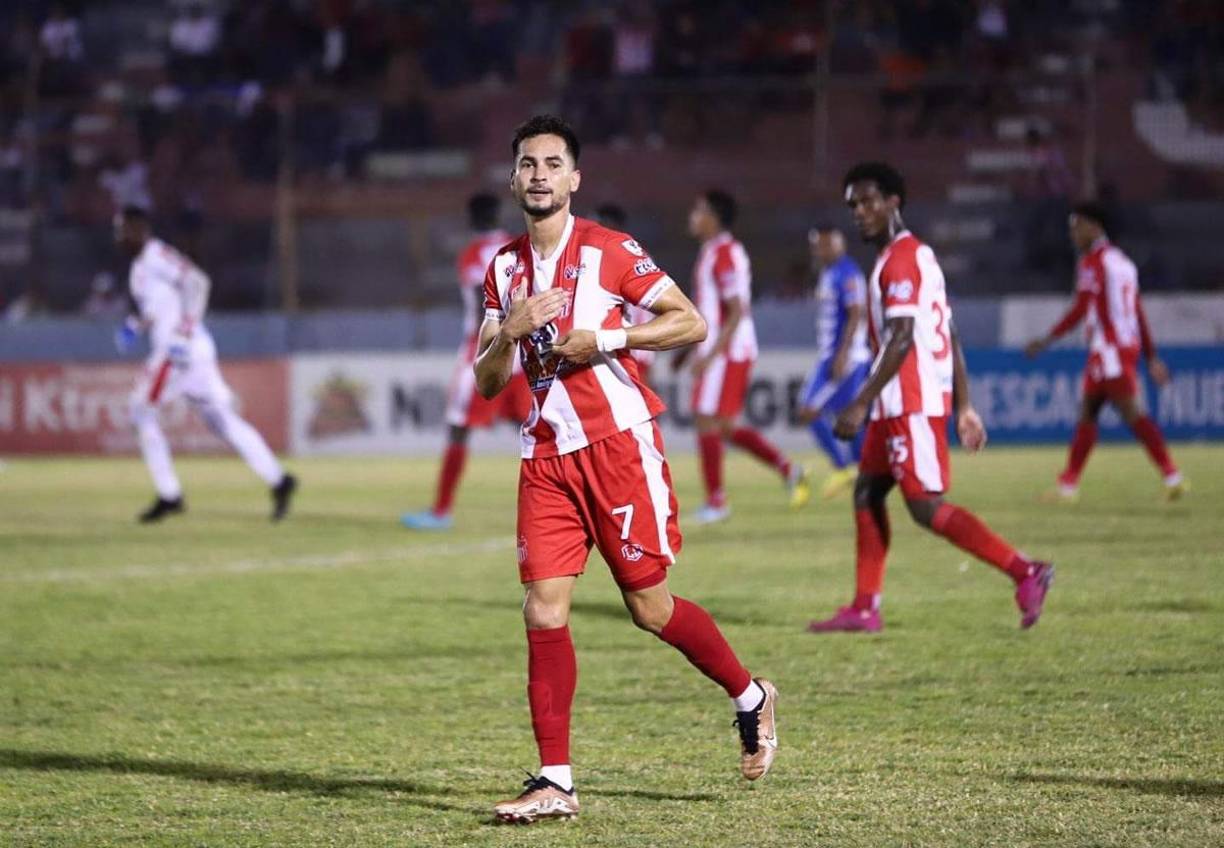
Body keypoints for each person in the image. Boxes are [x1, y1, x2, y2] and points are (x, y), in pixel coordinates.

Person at [475, 115, 778, 824]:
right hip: (546, 456)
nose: (540, 175)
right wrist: (510, 332)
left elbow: (691, 321)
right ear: (513, 178)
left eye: (553, 163)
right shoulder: (503, 269)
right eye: (528, 164)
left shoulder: (611, 252)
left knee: (649, 608)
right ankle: (556, 780)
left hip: (618, 448)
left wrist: (607, 336)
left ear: (574, 179)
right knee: (543, 608)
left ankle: (750, 696)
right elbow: (489, 381)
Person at [808, 162, 1053, 634]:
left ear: (894, 201)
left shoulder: (900, 261)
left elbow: (901, 337)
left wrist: (860, 402)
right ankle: (864, 607)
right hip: (899, 400)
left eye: (868, 201)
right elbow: (949, 331)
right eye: (853, 205)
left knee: (924, 505)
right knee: (868, 491)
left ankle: (1026, 571)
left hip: (909, 399)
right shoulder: (914, 256)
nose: (859, 212)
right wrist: (964, 405)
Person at [114, 206, 297, 523]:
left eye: (123, 229)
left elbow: (198, 282)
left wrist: (183, 332)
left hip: (177, 352)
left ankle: (170, 495)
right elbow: (159, 308)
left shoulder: (157, 254)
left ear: (139, 228)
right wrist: (136, 324)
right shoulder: (138, 269)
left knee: (140, 410)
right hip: (190, 351)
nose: (119, 237)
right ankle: (279, 480)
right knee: (222, 421)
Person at [1024, 203, 1184, 501]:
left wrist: (1046, 340)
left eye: (1077, 225)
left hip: (1109, 350)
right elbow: (1137, 311)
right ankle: (1068, 484)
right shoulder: (1122, 262)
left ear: (1093, 226)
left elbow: (1081, 308)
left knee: (1131, 413)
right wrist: (1149, 356)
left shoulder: (1093, 263)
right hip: (1123, 347)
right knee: (1088, 412)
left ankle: (1172, 475)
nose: (1072, 233)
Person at [675, 189, 809, 524]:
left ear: (714, 218)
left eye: (699, 210)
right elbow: (712, 310)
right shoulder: (711, 252)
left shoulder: (725, 254)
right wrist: (690, 350)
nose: (693, 216)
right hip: (720, 349)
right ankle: (789, 469)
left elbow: (736, 311)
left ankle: (716, 501)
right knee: (724, 426)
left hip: (727, 350)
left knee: (707, 419)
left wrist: (710, 355)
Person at [401, 193, 530, 530]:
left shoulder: (472, 255)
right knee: (537, 430)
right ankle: (573, 502)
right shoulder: (519, 247)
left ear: (471, 220)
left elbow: (482, 300)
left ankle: (441, 512)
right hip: (522, 349)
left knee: (458, 428)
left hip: (484, 348)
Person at [798, 225, 871, 499]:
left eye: (828, 244)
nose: (822, 249)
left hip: (845, 356)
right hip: (833, 353)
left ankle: (844, 468)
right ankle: (862, 472)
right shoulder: (828, 273)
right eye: (819, 244)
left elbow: (856, 313)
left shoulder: (847, 272)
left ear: (840, 245)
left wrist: (842, 353)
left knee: (808, 410)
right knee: (847, 418)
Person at [595, 202, 656, 385]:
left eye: (596, 224)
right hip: (625, 345)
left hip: (632, 346)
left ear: (608, 224)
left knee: (638, 406)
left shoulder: (624, 255)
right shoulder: (630, 252)